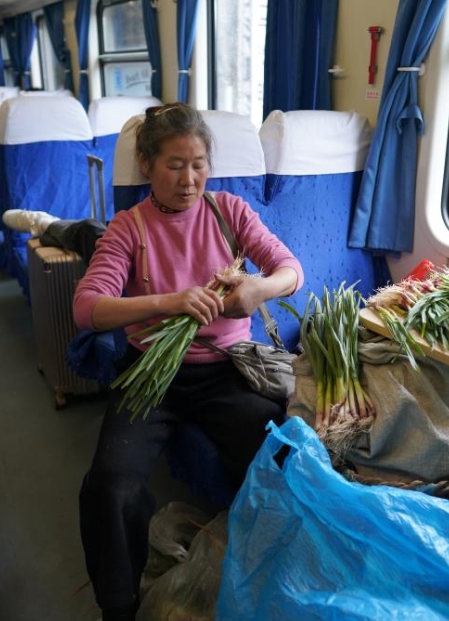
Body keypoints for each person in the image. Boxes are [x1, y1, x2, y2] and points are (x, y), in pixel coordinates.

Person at [71, 102, 304, 621]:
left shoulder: (230, 212)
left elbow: (290, 269)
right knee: (111, 484)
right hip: (151, 374)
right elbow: (87, 309)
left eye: (199, 163)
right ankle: (119, 605)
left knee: (280, 458)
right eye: (175, 165)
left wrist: (258, 289)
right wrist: (170, 301)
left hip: (227, 371)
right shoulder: (128, 228)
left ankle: (273, 574)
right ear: (148, 165)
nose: (189, 178)